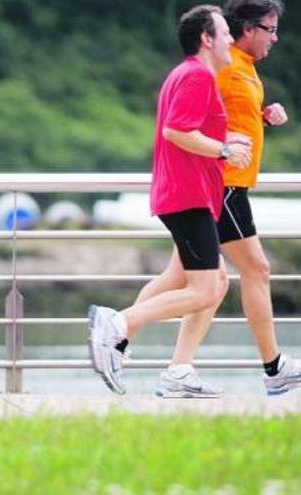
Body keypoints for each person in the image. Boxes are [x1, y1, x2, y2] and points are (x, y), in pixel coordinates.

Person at [87, 5, 252, 396]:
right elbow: (177, 130)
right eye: (225, 32)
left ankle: (170, 368)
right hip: (188, 195)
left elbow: (194, 126)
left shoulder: (186, 75)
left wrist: (241, 132)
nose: (232, 39)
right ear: (206, 39)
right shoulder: (196, 76)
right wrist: (225, 151)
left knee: (201, 281)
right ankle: (116, 325)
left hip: (190, 194)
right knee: (206, 289)